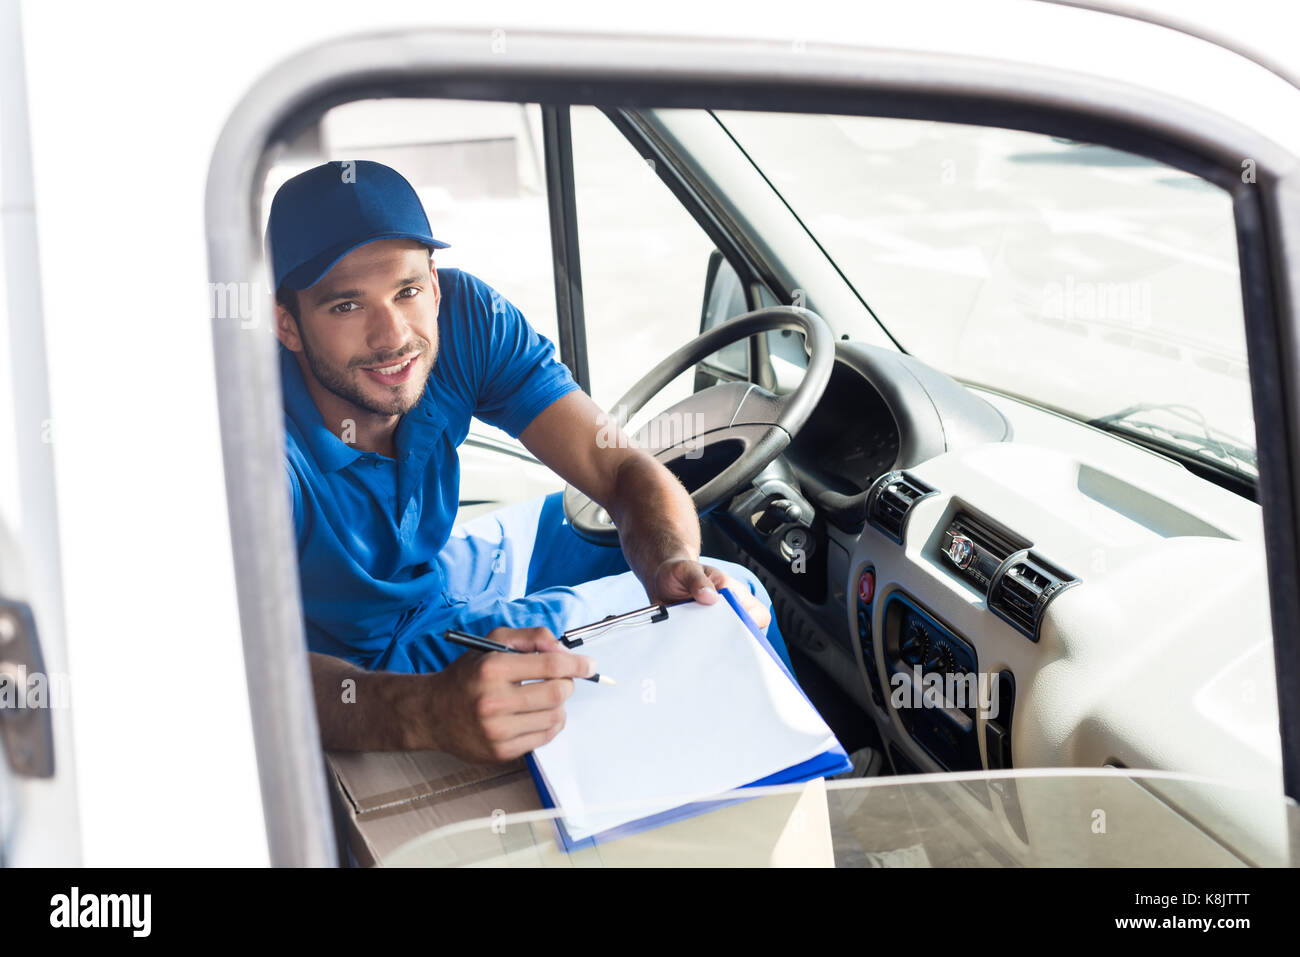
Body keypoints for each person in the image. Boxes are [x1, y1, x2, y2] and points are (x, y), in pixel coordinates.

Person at [268, 160, 792, 764]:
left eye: (407, 291)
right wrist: (424, 710)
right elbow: (246, 673)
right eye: (346, 307)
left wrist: (672, 561)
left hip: (434, 575)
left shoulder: (465, 319)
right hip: (355, 663)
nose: (392, 337)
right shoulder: (254, 448)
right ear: (288, 324)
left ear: (435, 286)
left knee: (594, 528)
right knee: (746, 590)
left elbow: (621, 469)